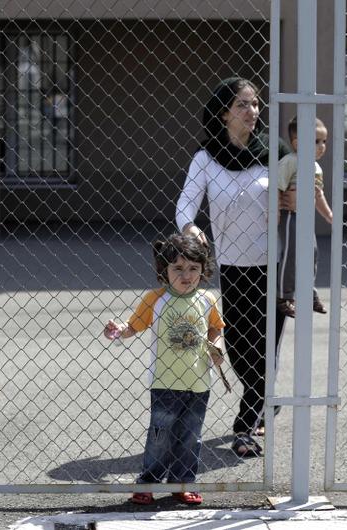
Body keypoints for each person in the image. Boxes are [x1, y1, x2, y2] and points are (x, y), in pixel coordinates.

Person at [175, 77, 289, 457]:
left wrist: (293, 198)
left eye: (256, 104)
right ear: (224, 112)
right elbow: (185, 204)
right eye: (243, 104)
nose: (252, 112)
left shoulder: (274, 151)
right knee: (240, 347)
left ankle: (245, 425)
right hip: (234, 267)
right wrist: (191, 228)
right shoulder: (206, 158)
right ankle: (262, 398)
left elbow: (303, 187)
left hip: (274, 264)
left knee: (265, 346)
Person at [104, 233, 226, 506]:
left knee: (191, 437)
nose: (187, 275)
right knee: (160, 436)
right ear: (164, 270)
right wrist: (119, 330)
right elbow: (133, 326)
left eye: (194, 268)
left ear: (203, 270)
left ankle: (182, 483)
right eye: (178, 269)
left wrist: (217, 348)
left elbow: (216, 328)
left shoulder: (207, 299)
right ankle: (148, 482)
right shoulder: (155, 299)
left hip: (198, 383)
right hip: (165, 382)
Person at [276, 116, 334, 317]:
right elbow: (278, 187)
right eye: (316, 141)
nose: (321, 146)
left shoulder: (317, 168)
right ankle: (284, 295)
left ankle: (309, 292)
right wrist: (275, 212)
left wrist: (329, 215)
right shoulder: (290, 162)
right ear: (297, 143)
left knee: (312, 253)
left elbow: (318, 194)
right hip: (291, 216)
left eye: (324, 141)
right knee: (291, 253)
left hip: (307, 219)